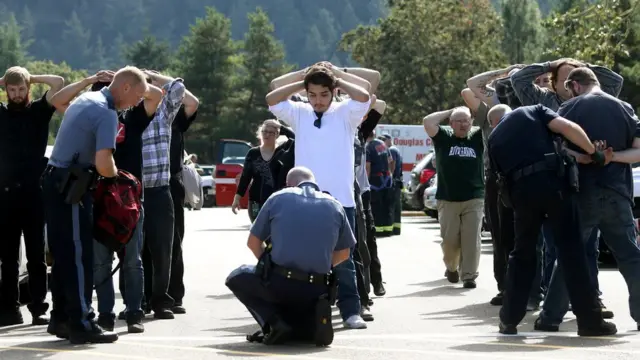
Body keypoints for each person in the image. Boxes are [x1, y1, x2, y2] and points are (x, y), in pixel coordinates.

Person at [486, 103, 616, 336]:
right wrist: (593, 153)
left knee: (522, 254)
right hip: (553, 186)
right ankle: (590, 322)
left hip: (521, 195)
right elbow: (567, 127)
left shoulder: (494, 138)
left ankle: (508, 320)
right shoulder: (532, 111)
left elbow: (499, 179)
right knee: (572, 252)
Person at [43, 66, 148, 343]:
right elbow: (104, 163)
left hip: (56, 182)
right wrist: (119, 179)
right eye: (138, 95)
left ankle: (61, 318)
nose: (138, 102)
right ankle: (82, 323)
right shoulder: (106, 112)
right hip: (72, 187)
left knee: (64, 255)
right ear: (125, 87)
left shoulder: (86, 100)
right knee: (78, 257)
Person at [266, 64, 371, 329]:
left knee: (344, 258)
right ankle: (309, 309)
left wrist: (338, 78)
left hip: (341, 201)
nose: (318, 101)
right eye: (312, 95)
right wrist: (303, 81)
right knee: (305, 258)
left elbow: (364, 96)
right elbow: (272, 98)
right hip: (306, 201)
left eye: (324, 94)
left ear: (333, 93)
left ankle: (351, 311)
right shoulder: (299, 112)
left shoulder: (346, 113)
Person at [535, 67, 640, 332]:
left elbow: (554, 147)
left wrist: (586, 155)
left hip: (582, 193)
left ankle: (550, 318)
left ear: (575, 85)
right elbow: (637, 153)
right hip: (618, 194)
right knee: (630, 257)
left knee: (570, 257)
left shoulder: (569, 109)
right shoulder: (625, 108)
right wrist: (611, 156)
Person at [225, 167, 355, 345]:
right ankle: (302, 325)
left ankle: (275, 322)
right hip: (317, 291)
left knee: (236, 277)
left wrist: (268, 266)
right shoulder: (335, 205)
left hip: (281, 284)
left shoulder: (279, 198)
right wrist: (320, 264)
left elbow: (253, 243)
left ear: (288, 184)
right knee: (302, 332)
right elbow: (345, 253)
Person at [0, 66, 63, 326]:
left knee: (37, 255)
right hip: (4, 194)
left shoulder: (39, 110)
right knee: (8, 257)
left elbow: (58, 82)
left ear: (29, 89)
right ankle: (9, 309)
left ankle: (39, 308)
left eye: (21, 89)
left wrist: (30, 76)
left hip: (34, 193)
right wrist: (4, 79)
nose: (16, 94)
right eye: (12, 90)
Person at [140, 70, 185, 319]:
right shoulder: (127, 114)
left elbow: (178, 89)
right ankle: (137, 301)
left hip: (160, 191)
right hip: (134, 193)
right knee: (135, 251)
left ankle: (161, 301)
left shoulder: (164, 114)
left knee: (163, 250)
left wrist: (151, 76)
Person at [423, 106, 485, 289]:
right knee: (450, 240)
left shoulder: (477, 138)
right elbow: (428, 121)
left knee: (472, 238)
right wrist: (451, 111)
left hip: (474, 197)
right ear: (451, 124)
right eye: (458, 120)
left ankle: (469, 275)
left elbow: (488, 118)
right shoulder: (443, 138)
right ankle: (451, 267)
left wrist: (471, 109)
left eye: (466, 120)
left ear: (471, 122)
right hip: (448, 198)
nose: (463, 124)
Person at [232, 119, 295, 222]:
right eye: (264, 131)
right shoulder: (253, 153)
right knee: (257, 231)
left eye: (271, 132)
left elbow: (296, 139)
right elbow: (245, 176)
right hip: (256, 201)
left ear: (277, 135)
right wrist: (237, 198)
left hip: (277, 201)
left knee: (274, 233)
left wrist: (281, 127)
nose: (267, 135)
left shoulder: (283, 151)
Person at [366, 132, 394, 238]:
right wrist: (390, 174)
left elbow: (367, 166)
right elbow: (390, 161)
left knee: (376, 206)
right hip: (386, 179)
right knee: (386, 206)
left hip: (375, 181)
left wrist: (366, 182)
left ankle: (378, 231)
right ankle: (387, 230)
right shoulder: (383, 144)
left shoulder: (369, 147)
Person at [380, 134, 403, 236]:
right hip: (397, 182)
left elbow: (392, 164)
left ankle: (392, 229)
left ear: (388, 140)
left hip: (394, 182)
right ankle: (396, 229)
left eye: (383, 140)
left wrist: (389, 178)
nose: (382, 143)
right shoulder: (395, 149)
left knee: (391, 206)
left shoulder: (392, 150)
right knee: (396, 206)